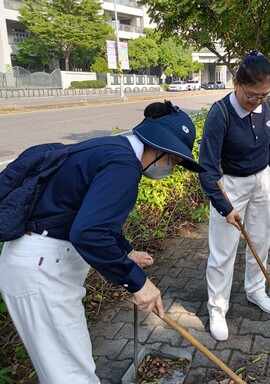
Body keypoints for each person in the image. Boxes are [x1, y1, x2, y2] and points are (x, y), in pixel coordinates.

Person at [0, 100, 205, 384]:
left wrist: (126, 252)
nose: (172, 167)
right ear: (160, 150)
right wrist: (137, 283)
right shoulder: (124, 166)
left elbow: (89, 216)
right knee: (70, 375)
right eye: (175, 161)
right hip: (41, 272)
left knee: (71, 366)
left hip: (39, 262)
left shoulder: (111, 149)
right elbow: (88, 233)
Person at [198, 51, 270, 341]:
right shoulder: (220, 115)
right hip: (230, 185)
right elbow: (206, 169)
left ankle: (256, 289)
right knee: (223, 251)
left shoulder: (269, 107)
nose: (257, 101)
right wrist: (224, 206)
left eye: (264, 95)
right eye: (251, 95)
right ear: (235, 83)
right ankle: (217, 307)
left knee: (261, 239)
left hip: (261, 181)